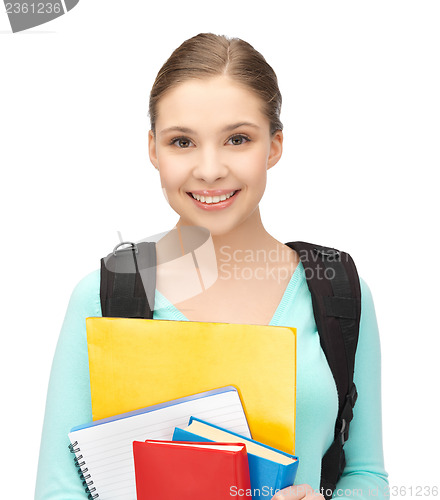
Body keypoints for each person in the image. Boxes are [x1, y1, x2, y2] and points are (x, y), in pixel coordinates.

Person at [35, 32, 389, 499]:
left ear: (275, 146)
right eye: (182, 142)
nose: (209, 169)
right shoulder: (104, 296)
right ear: (153, 150)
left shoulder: (339, 291)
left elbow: (366, 474)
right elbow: (58, 490)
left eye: (237, 139)